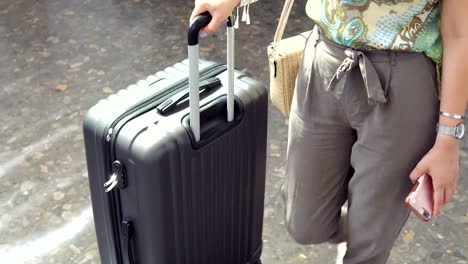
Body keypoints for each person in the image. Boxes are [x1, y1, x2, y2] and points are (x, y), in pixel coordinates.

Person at [191, 1, 467, 263]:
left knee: (366, 251)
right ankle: (361, 227)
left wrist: (447, 139)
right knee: (304, 224)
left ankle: (367, 234)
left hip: (405, 78)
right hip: (324, 60)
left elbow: (459, 32)